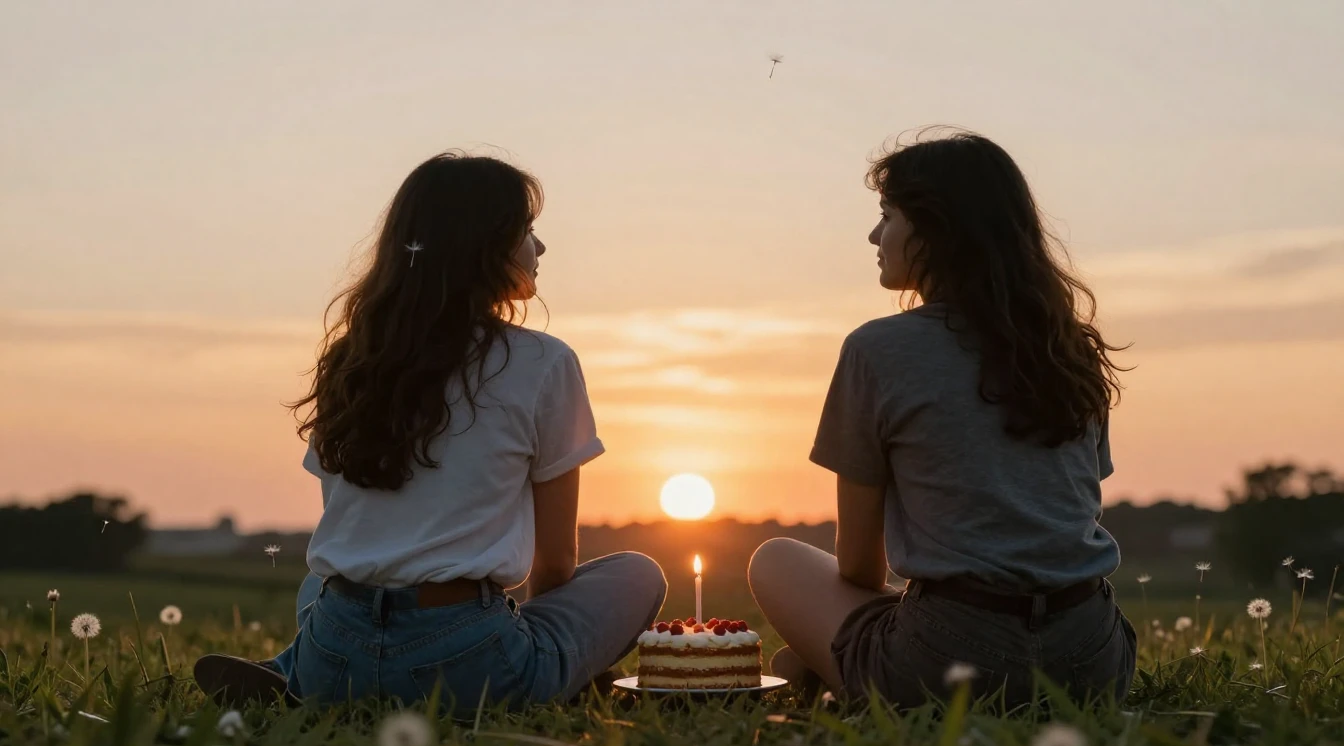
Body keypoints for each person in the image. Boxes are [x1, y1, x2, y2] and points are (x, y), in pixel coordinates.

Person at [194, 152, 666, 716]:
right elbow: (556, 564)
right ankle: (523, 672)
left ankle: (295, 673)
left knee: (325, 582)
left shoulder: (354, 360)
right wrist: (560, 647)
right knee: (638, 573)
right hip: (468, 664)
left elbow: (350, 527)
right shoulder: (544, 363)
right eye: (527, 231)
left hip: (335, 646)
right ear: (482, 246)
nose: (540, 249)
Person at [748, 130, 1135, 709]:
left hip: (950, 664)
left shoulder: (878, 349)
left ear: (936, 228)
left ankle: (839, 668)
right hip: (1092, 661)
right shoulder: (1067, 349)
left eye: (887, 216)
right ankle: (834, 663)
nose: (875, 236)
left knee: (776, 559)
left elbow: (857, 565)